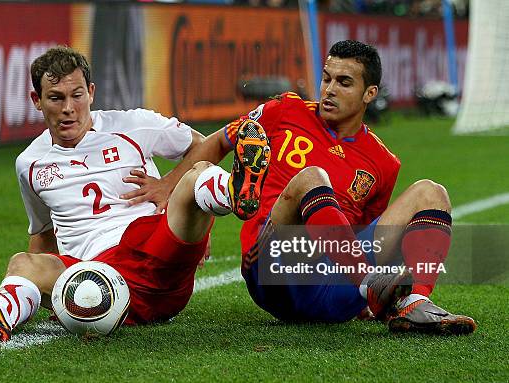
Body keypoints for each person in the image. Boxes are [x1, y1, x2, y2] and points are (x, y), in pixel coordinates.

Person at [0, 46, 271, 341]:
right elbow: (43, 235)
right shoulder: (29, 164)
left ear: (91, 93)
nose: (68, 108)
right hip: (96, 278)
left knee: (197, 174)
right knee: (23, 262)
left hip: (153, 250)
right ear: (37, 101)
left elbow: (200, 144)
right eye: (56, 98)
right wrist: (41, 287)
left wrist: (170, 188)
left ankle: (234, 194)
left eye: (76, 95)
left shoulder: (133, 125)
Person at [167, 40, 476, 334]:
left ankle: (415, 303)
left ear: (370, 93)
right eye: (326, 78)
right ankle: (370, 283)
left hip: (334, 288)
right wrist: (170, 188)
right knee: (311, 176)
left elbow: (369, 235)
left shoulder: (384, 163)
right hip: (275, 269)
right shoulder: (285, 111)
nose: (329, 90)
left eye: (344, 82)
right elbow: (221, 140)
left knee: (431, 192)